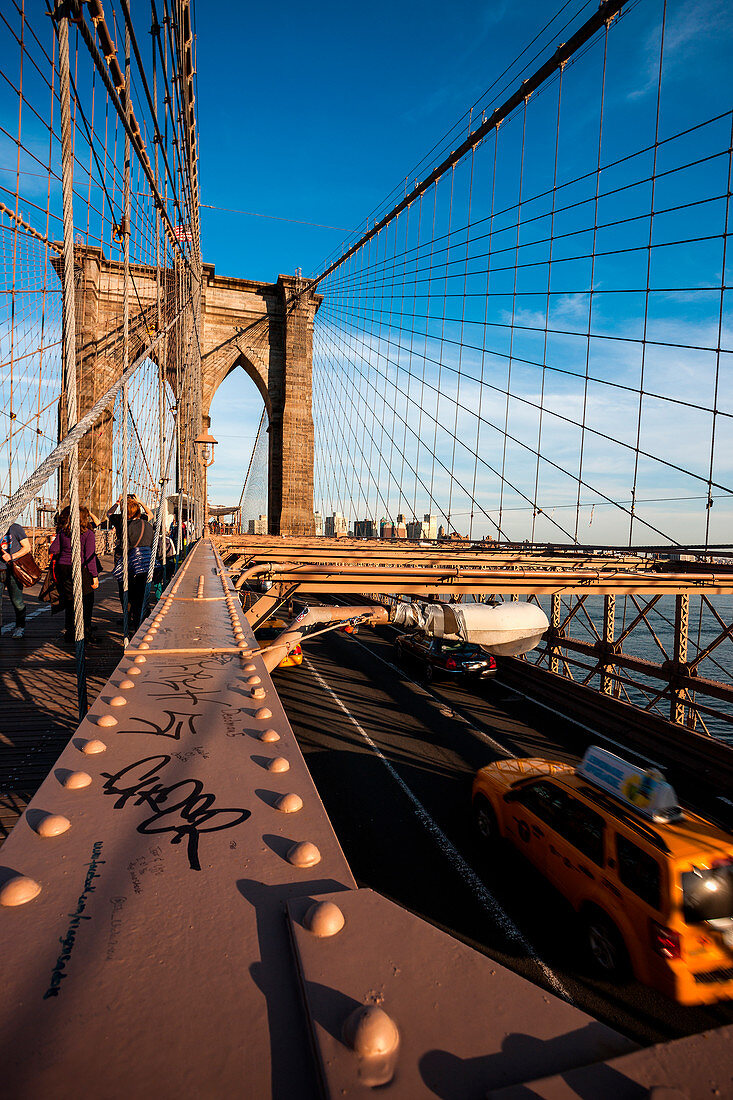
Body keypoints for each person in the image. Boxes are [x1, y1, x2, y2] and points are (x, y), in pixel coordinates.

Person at [50, 505, 99, 643]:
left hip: (63, 568)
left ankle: (70, 632)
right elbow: (90, 557)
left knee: (70, 601)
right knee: (86, 601)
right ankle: (86, 633)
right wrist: (94, 576)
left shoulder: (63, 532)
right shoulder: (88, 534)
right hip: (81, 569)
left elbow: (53, 549)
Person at [106, 494, 153, 630]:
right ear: (137, 510)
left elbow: (109, 514)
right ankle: (139, 617)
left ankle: (128, 617)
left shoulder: (120, 521)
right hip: (142, 562)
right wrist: (140, 502)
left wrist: (117, 502)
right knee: (140, 591)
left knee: (125, 591)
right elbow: (150, 514)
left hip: (125, 561)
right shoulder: (143, 521)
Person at [1, 521, 31, 638]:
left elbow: (27, 547)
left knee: (17, 601)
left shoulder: (15, 528)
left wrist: (11, 556)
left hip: (13, 570)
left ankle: (20, 627)